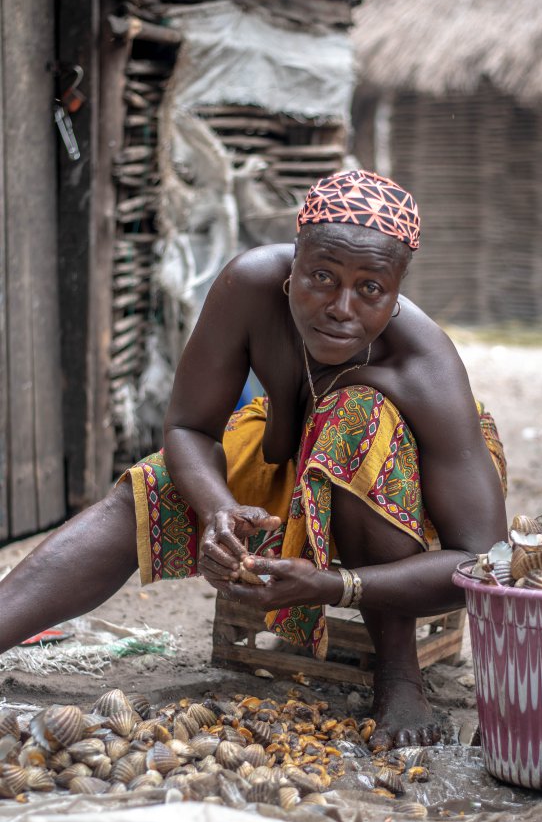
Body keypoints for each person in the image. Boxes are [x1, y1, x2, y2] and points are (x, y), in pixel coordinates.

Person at [0, 170, 507, 750]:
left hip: (410, 498)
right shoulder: (249, 287)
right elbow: (190, 427)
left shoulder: (423, 367)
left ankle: (398, 678)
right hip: (292, 453)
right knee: (152, 487)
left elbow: (487, 562)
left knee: (355, 420)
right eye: (321, 277)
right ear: (293, 268)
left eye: (371, 289)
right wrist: (218, 510)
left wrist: (332, 586)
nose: (341, 308)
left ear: (397, 292)